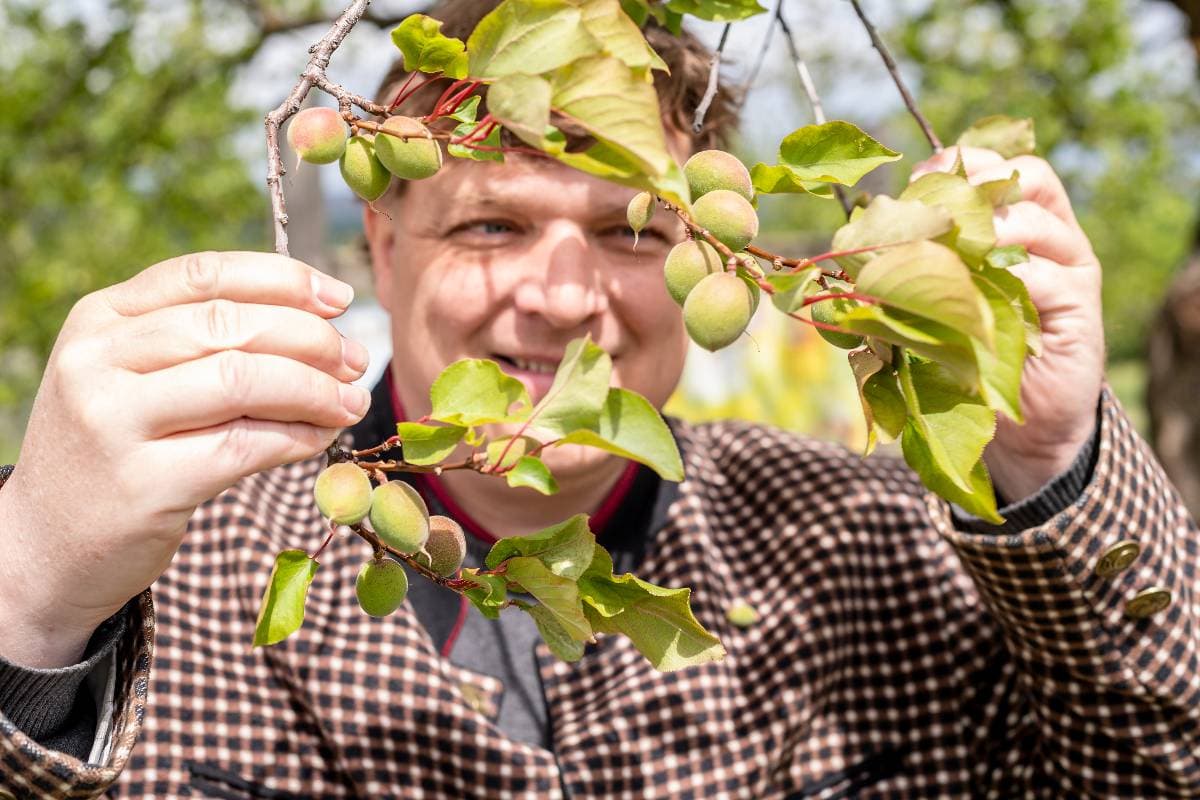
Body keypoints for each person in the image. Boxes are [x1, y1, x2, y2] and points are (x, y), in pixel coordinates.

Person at [0, 1, 1196, 797]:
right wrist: (29, 593)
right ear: (380, 239)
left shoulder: (871, 538)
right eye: (491, 223)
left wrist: (1053, 464)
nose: (566, 294)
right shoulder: (168, 572)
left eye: (635, 232)